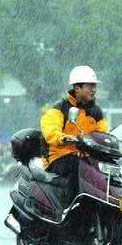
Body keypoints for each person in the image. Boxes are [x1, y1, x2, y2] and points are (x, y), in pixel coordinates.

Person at [41, 65, 109, 208]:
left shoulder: (96, 112)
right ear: (77, 88)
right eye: (89, 86)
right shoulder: (59, 108)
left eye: (94, 86)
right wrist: (63, 138)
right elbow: (51, 132)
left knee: (106, 171)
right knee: (77, 165)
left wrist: (108, 144)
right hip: (59, 157)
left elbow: (102, 134)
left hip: (84, 156)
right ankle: (69, 206)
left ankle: (104, 206)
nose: (94, 89)